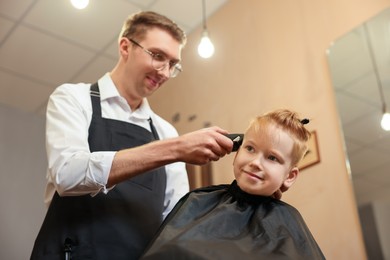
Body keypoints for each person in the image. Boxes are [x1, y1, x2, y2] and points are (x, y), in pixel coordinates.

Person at [30, 11, 235, 260]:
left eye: (173, 64)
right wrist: (174, 149)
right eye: (158, 56)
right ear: (125, 47)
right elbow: (67, 174)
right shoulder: (73, 98)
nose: (165, 72)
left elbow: (175, 220)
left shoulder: (165, 131)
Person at [141, 109, 326, 260]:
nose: (255, 162)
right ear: (236, 152)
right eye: (250, 148)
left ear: (290, 176)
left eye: (272, 158)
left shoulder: (287, 224)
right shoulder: (200, 201)